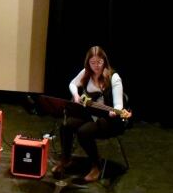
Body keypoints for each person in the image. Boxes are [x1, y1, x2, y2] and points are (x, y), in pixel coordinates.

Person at [53, 46, 126, 182]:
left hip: (107, 120)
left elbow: (118, 104)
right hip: (89, 114)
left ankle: (96, 166)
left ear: (104, 61)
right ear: (88, 63)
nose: (96, 66)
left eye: (99, 62)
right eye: (93, 62)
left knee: (83, 132)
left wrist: (114, 111)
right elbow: (72, 84)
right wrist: (75, 95)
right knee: (66, 125)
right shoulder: (86, 72)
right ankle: (66, 159)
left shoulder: (113, 77)